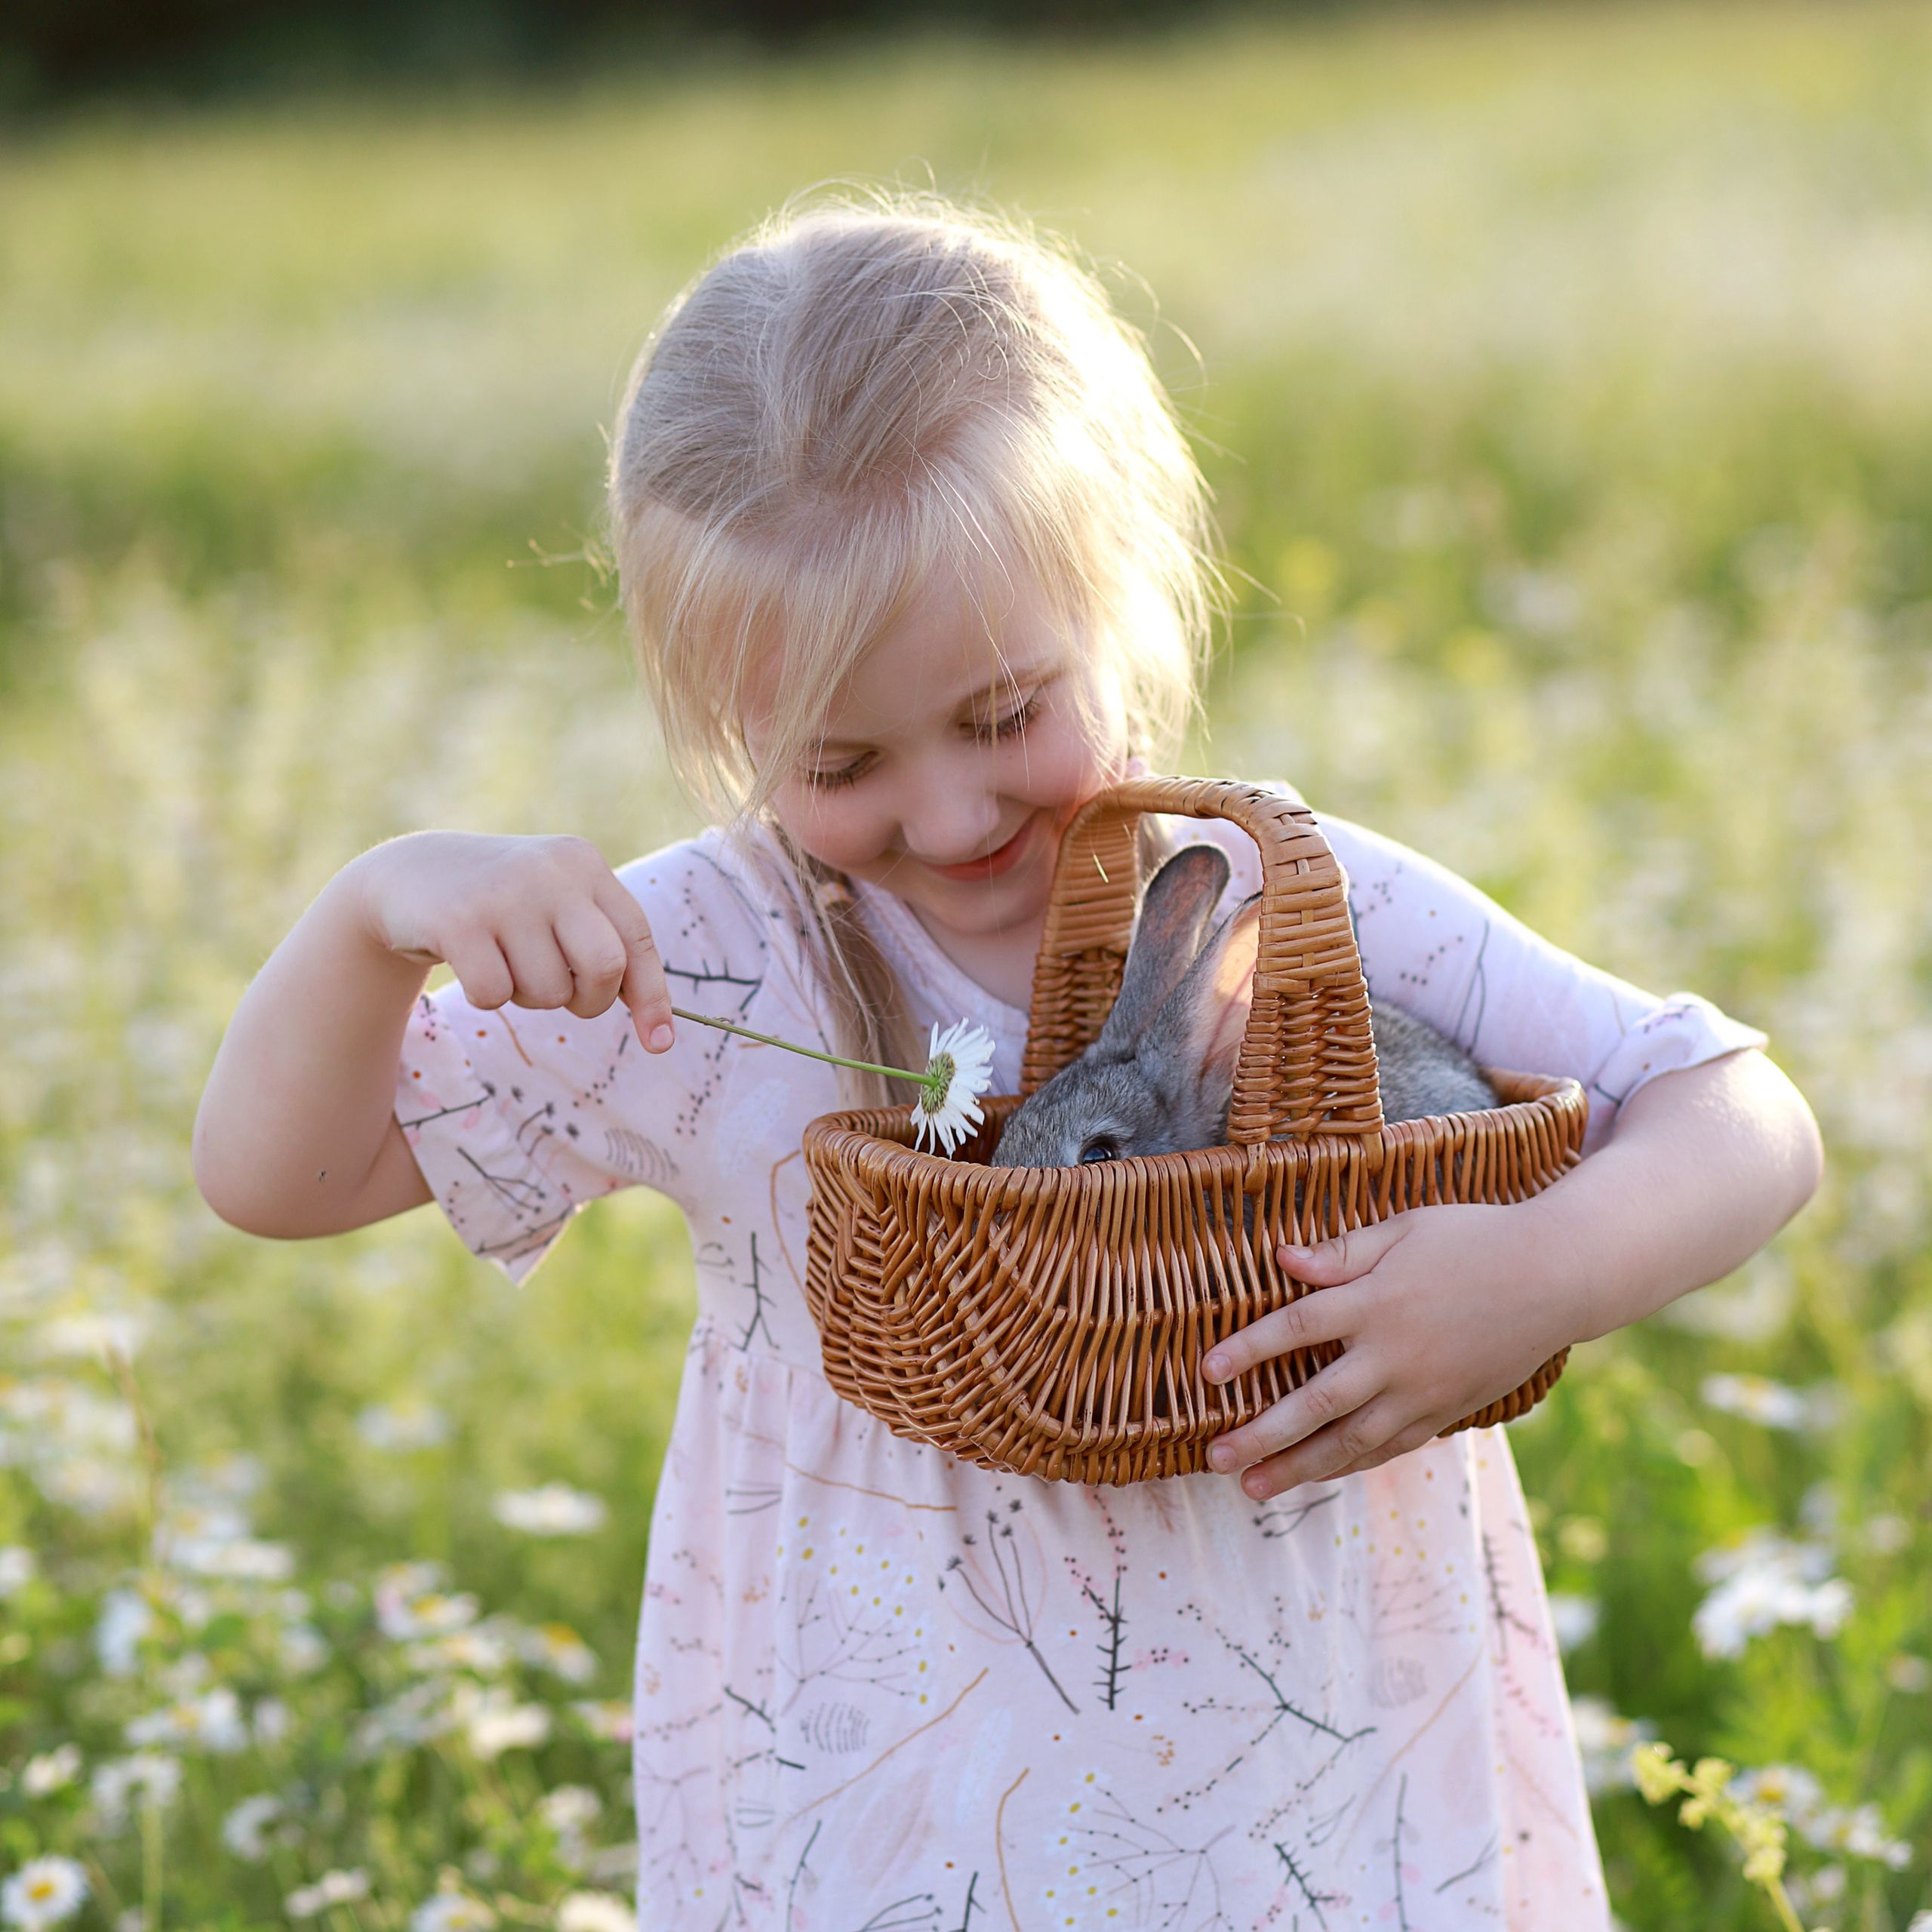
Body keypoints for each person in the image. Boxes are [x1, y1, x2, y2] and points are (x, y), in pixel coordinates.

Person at [193, 192, 1822, 1928]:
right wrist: (379, 912)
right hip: (885, 1805)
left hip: (1307, 1785)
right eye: (841, 761)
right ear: (727, 724)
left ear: (1119, 599)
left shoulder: (1275, 896)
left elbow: (1737, 1107)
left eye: (1003, 716)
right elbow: (279, 1175)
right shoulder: (702, 959)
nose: (954, 811)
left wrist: (1532, 1273)